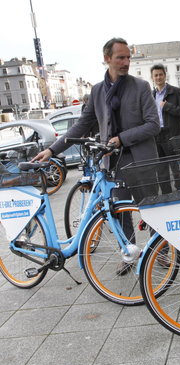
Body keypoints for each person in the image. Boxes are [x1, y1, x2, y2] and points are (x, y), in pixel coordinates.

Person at [32, 37, 160, 274]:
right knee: (119, 212)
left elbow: (154, 125)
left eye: (128, 57)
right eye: (120, 57)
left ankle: (159, 252)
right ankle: (129, 254)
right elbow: (81, 125)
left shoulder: (140, 86)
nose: (126, 62)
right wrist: (52, 150)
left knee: (151, 208)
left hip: (141, 159)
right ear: (107, 59)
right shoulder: (98, 91)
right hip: (113, 163)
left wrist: (122, 138)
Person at [151, 64, 180, 191]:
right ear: (152, 78)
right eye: (156, 75)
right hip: (157, 135)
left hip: (173, 135)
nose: (158, 77)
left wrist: (168, 107)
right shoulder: (151, 95)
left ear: (165, 75)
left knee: (177, 168)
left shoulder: (176, 92)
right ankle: (166, 195)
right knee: (161, 170)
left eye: (161, 74)